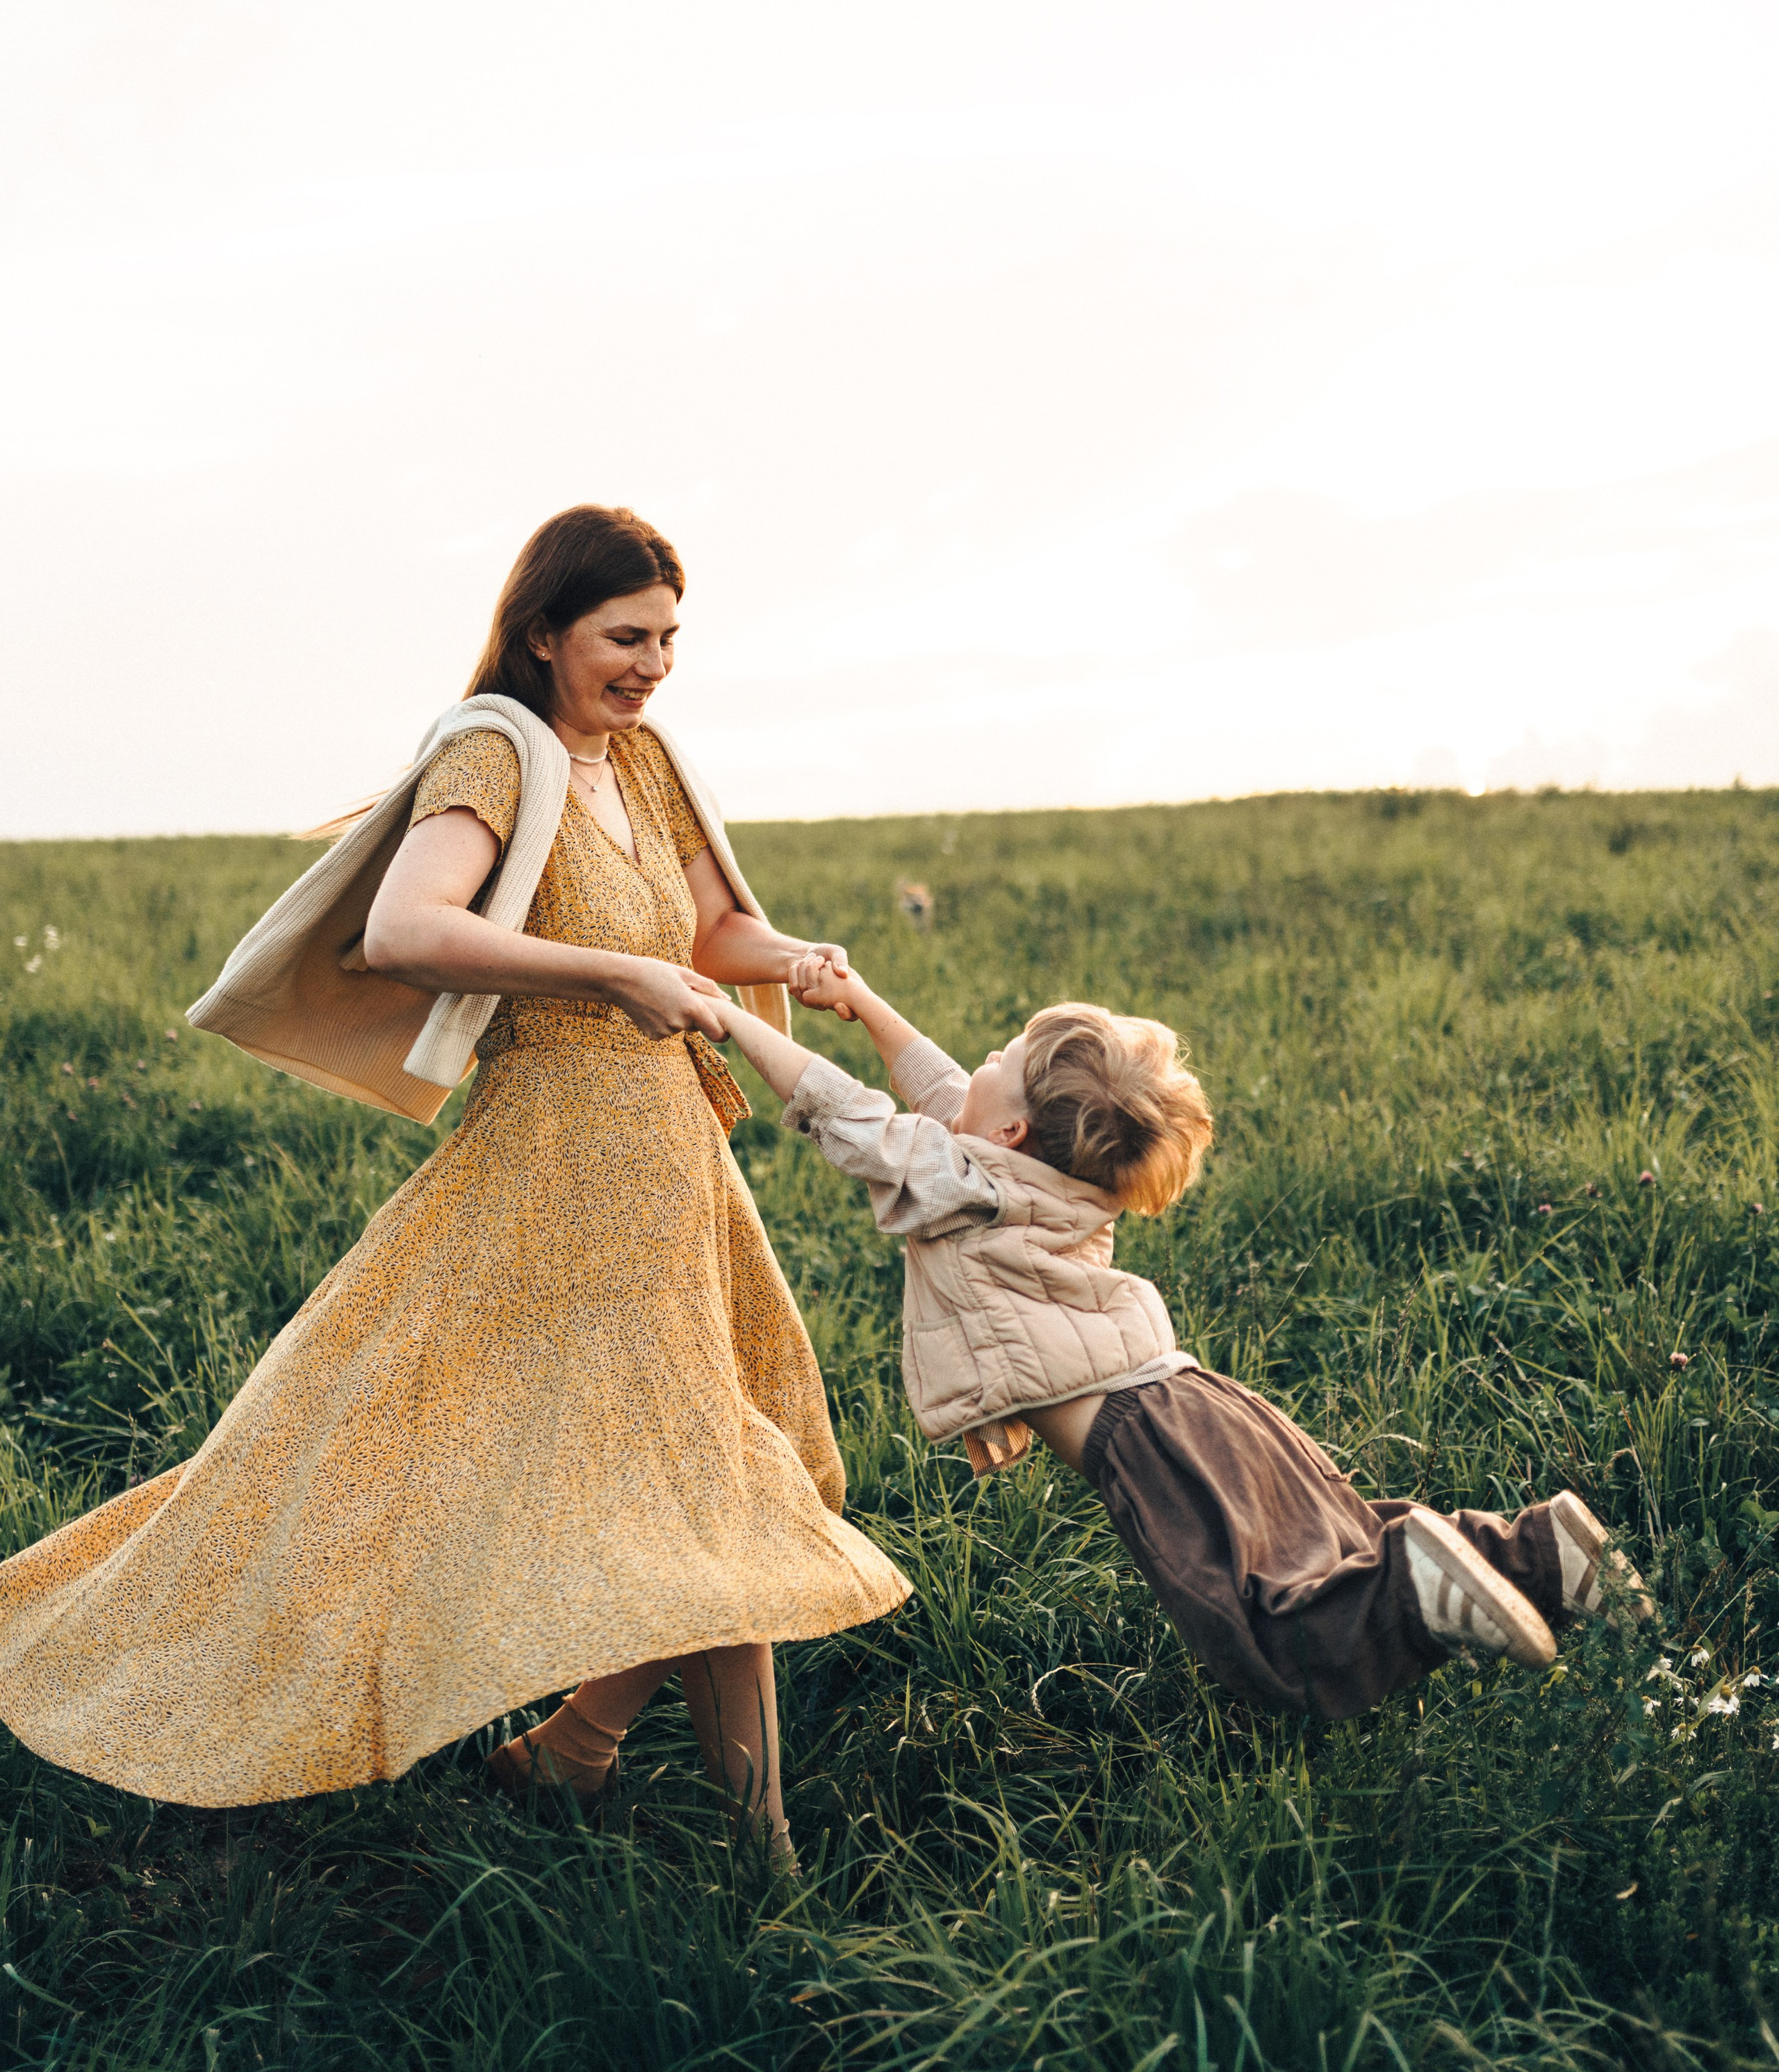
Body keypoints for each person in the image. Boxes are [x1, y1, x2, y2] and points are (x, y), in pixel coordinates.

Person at [0, 506, 908, 1858]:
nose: (651, 664)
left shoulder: (643, 761)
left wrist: (793, 955)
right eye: (622, 637)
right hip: (555, 1164)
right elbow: (407, 930)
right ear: (543, 633)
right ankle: (757, 1858)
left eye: (668, 638)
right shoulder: (496, 751)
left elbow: (707, 929)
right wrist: (612, 974)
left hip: (669, 1164)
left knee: (705, 1488)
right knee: (681, 1489)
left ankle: (576, 1752)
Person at [716, 969, 1655, 1727]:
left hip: (1147, 1441)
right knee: (1331, 1543)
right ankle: (1540, 1551)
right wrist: (865, 1002)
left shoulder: (967, 1179)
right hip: (1202, 1397)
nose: (976, 1062)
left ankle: (1415, 1586)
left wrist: (730, 1020)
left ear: (1011, 1132)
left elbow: (853, 1117)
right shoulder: (1035, 1169)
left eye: (996, 1059)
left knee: (1262, 1634)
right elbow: (946, 1094)